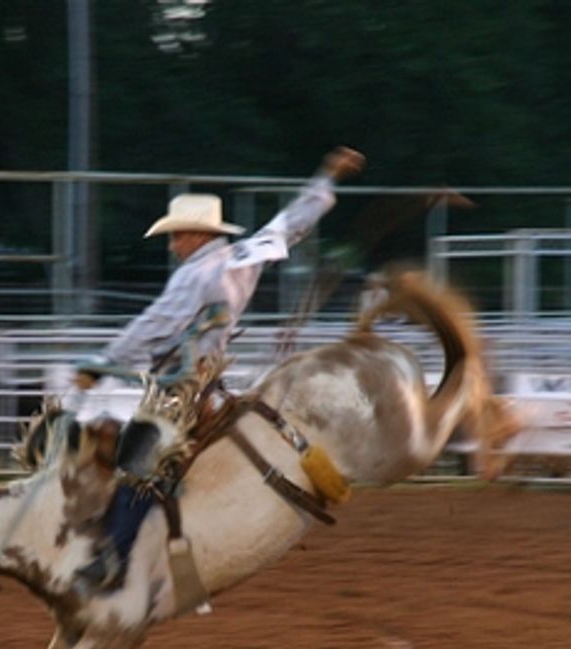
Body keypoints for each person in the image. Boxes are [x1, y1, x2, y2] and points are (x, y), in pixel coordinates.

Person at [72, 146, 366, 595]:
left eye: (176, 237)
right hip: (213, 383)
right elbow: (293, 222)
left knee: (136, 464)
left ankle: (112, 559)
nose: (172, 246)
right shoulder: (246, 255)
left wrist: (101, 364)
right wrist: (326, 177)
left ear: (195, 234)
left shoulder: (193, 277)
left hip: (181, 390)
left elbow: (154, 324)